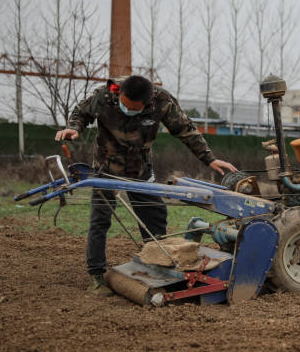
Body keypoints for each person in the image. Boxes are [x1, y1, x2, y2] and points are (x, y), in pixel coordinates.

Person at [55, 75, 236, 296]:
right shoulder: (104, 96)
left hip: (140, 168)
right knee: (100, 219)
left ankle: (157, 263)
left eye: (134, 109)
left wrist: (209, 159)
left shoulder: (162, 101)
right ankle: (96, 275)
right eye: (125, 105)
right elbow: (81, 112)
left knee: (154, 215)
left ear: (148, 101)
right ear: (119, 94)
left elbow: (185, 130)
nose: (128, 110)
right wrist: (74, 128)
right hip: (106, 165)